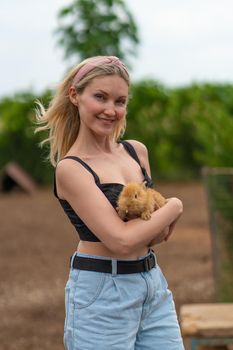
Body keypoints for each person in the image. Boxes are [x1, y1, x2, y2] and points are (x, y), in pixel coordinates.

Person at [35, 56, 184, 350]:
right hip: (102, 293)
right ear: (75, 95)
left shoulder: (136, 152)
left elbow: (156, 235)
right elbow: (122, 241)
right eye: (100, 97)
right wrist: (175, 207)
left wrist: (156, 223)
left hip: (152, 284)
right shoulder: (72, 169)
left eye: (120, 101)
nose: (110, 110)